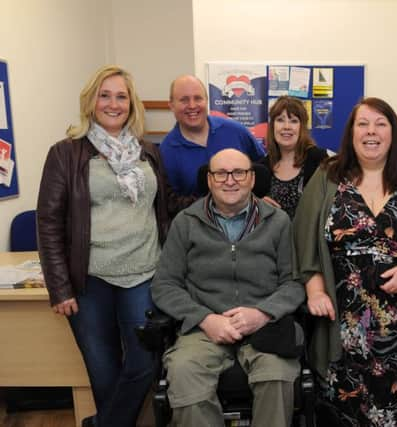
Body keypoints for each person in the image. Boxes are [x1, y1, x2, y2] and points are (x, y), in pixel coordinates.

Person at [294, 97, 397, 426]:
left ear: (393, 133)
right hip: (342, 320)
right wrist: (314, 291)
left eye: (380, 124)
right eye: (363, 124)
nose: (372, 132)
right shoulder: (327, 176)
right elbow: (303, 240)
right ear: (351, 133)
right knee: (343, 406)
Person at [36, 65, 170, 427]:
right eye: (105, 95)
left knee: (144, 364)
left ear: (132, 103)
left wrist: (224, 194)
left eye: (121, 96)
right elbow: (48, 223)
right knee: (103, 372)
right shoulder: (66, 154)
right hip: (89, 280)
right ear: (91, 101)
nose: (113, 103)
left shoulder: (149, 153)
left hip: (143, 274)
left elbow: (167, 205)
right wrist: (59, 287)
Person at [151, 148, 305, 427]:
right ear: (209, 180)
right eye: (220, 173)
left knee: (277, 374)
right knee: (184, 373)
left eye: (239, 173)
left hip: (265, 327)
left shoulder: (278, 222)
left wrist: (262, 313)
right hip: (204, 328)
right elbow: (165, 284)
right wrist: (205, 319)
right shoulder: (186, 222)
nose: (230, 180)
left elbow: (293, 284)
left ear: (252, 179)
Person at [159, 75, 266, 200]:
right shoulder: (166, 151)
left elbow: (262, 171)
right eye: (184, 100)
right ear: (171, 105)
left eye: (198, 98)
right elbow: (172, 202)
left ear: (207, 101)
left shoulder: (236, 131)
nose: (192, 105)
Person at [259, 95, 328, 218]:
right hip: (275, 237)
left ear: (302, 127)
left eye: (294, 121)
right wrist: (258, 204)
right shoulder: (262, 166)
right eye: (280, 120)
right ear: (272, 126)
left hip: (309, 236)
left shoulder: (319, 159)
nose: (286, 126)